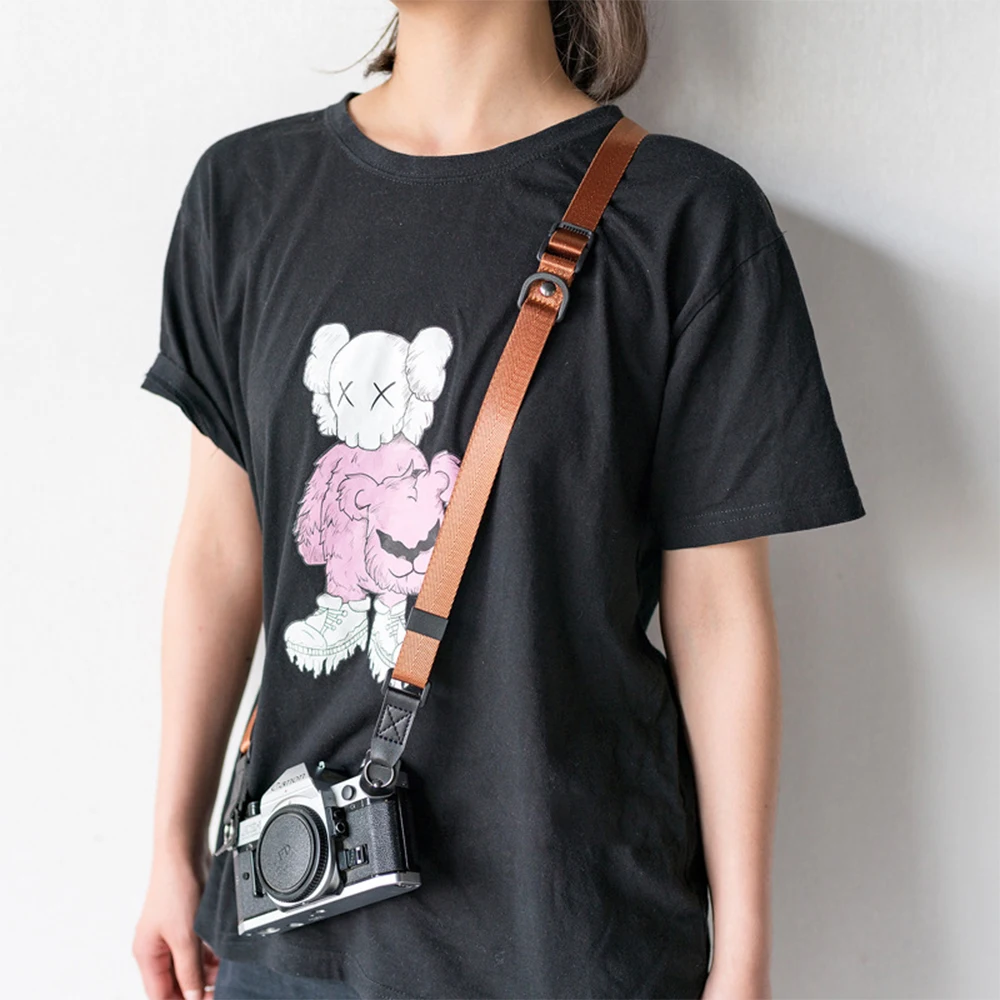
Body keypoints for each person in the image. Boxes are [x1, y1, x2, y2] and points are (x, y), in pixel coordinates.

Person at [131, 2, 866, 998]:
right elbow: (221, 551)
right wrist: (172, 848)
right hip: (293, 929)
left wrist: (742, 954)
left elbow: (718, 612)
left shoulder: (686, 217)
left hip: (573, 938)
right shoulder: (246, 195)